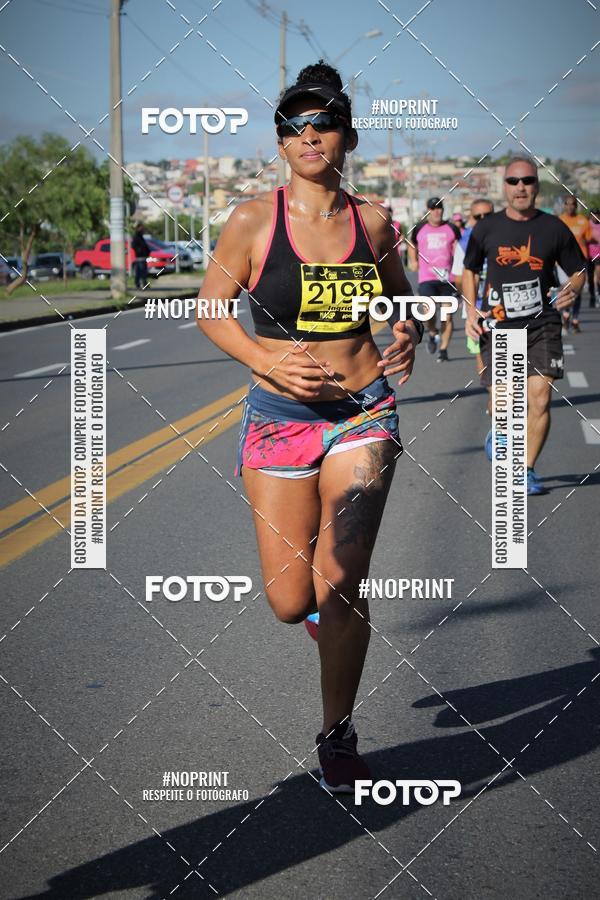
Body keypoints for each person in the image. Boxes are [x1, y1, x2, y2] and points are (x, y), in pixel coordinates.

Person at [195, 61, 423, 793]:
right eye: (294, 124)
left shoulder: (374, 221)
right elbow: (209, 308)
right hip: (280, 422)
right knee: (292, 601)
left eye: (323, 121)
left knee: (344, 578)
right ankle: (325, 614)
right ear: (281, 145)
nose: (309, 133)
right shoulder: (252, 221)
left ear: (347, 136)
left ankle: (337, 733)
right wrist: (265, 358)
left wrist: (406, 332)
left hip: (364, 412)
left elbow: (401, 298)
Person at [464, 156, 585, 495]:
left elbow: (578, 271)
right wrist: (472, 308)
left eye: (528, 181)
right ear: (504, 187)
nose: (521, 187)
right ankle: (499, 432)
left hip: (542, 323)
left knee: (540, 397)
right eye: (514, 181)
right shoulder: (486, 228)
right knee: (504, 404)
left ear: (537, 186)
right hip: (499, 324)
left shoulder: (554, 228)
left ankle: (527, 469)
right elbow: (470, 270)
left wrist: (571, 290)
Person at [408, 197, 461, 362]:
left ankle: (443, 350)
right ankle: (432, 332)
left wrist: (459, 269)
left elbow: (459, 248)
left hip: (447, 278)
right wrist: (413, 260)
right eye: (433, 208)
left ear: (443, 210)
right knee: (428, 311)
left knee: (447, 316)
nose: (437, 211)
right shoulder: (420, 228)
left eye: (439, 208)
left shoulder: (451, 228)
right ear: (428, 211)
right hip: (427, 277)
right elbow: (412, 244)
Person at [451, 198, 494, 376]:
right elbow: (459, 278)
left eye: (488, 215)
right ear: (471, 217)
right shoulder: (465, 242)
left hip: (502, 308)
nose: (483, 219)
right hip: (475, 309)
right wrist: (470, 302)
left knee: (506, 356)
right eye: (478, 216)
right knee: (481, 355)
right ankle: (492, 394)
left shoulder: (507, 236)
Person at [559, 195, 592, 332]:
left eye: (573, 204)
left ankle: (575, 320)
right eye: (567, 204)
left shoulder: (583, 221)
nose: (570, 206)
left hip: (580, 262)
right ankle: (566, 314)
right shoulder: (560, 221)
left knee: (577, 291)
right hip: (562, 263)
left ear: (576, 206)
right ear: (564, 205)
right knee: (566, 290)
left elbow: (589, 238)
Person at [131, 223, 150, 290]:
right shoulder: (137, 236)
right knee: (141, 271)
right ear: (138, 228)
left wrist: (147, 252)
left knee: (142, 271)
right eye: (142, 228)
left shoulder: (141, 236)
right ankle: (139, 284)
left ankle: (142, 284)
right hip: (139, 257)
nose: (143, 229)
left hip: (142, 256)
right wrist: (140, 251)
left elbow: (144, 246)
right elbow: (134, 245)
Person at [588, 209, 600, 307]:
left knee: (599, 275)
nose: (595, 217)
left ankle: (599, 293)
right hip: (588, 255)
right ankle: (592, 296)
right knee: (590, 277)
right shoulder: (587, 225)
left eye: (597, 215)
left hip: (598, 255)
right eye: (593, 215)